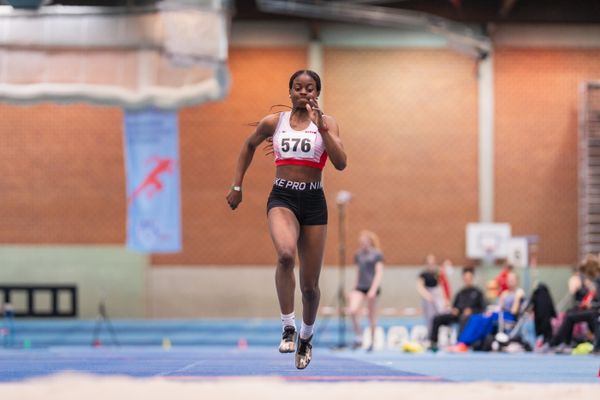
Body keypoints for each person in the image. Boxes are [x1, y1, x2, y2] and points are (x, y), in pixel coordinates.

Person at [226, 70, 347, 369]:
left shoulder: (327, 123)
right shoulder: (274, 122)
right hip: (283, 198)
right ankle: (288, 326)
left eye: (310, 89)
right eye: (298, 88)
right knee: (284, 255)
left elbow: (341, 163)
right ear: (290, 91)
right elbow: (248, 146)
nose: (303, 93)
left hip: (314, 202)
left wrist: (322, 129)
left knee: (309, 285)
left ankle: (306, 336)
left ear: (317, 93)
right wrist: (237, 185)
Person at [448, 270, 525, 352]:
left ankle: (464, 343)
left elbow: (514, 311)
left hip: (509, 317)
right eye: (509, 280)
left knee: (485, 319)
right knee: (476, 318)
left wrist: (517, 297)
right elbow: (500, 308)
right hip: (500, 315)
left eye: (512, 280)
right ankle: (462, 342)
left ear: (517, 281)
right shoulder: (505, 293)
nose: (510, 282)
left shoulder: (519, 293)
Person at [548, 255, 599, 351]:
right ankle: (565, 342)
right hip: (592, 308)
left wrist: (592, 304)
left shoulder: (596, 281)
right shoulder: (591, 281)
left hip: (595, 310)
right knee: (569, 313)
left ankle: (555, 342)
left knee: (571, 316)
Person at [429, 267, 485, 351]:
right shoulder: (460, 292)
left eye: (469, 278)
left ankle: (461, 343)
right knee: (437, 318)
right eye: (465, 278)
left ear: (472, 278)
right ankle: (433, 342)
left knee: (464, 318)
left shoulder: (478, 292)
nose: (467, 280)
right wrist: (454, 310)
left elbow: (482, 309)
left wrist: (472, 311)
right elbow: (454, 306)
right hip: (458, 315)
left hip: (470, 317)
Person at [348, 230, 384, 351]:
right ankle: (359, 336)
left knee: (371, 315)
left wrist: (373, 289)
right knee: (352, 310)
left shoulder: (377, 254)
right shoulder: (358, 254)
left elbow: (379, 272)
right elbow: (357, 272)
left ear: (369, 241)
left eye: (364, 241)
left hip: (372, 287)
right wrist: (353, 288)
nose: (362, 244)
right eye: (360, 242)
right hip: (360, 287)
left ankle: (372, 341)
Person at [416, 254, 448, 334]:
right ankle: (430, 334)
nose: (431, 265)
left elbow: (442, 286)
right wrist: (427, 295)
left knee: (441, 314)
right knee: (430, 317)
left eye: (432, 263)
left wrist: (445, 299)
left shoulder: (437, 273)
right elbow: (419, 287)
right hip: (428, 297)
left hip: (437, 295)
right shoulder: (423, 275)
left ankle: (440, 333)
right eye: (429, 263)